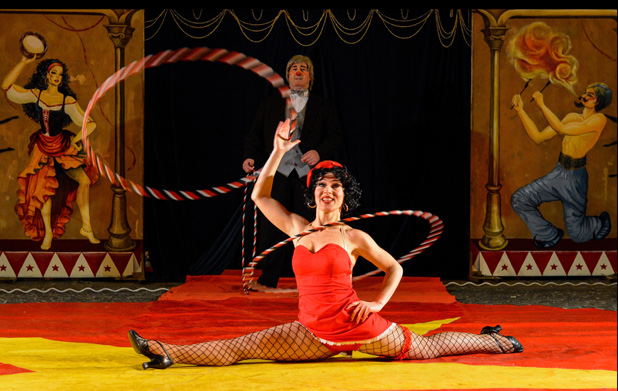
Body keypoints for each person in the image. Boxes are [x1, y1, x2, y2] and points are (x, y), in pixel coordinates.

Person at [128, 118, 523, 369]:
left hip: (359, 324)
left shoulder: (354, 236)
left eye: (335, 186)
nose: (328, 191)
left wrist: (377, 304)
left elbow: (394, 267)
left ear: (345, 197)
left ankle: (496, 341)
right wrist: (277, 151)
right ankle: (166, 351)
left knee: (426, 348)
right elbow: (260, 196)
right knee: (242, 346)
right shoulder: (298, 228)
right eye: (321, 185)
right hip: (312, 331)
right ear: (312, 194)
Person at [242, 54, 343, 289]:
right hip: (277, 173)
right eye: (294, 68)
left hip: (307, 176)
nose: (298, 72)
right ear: (287, 76)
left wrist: (318, 152)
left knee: (309, 226)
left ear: (310, 77)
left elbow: (336, 136)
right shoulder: (270, 104)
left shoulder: (323, 105)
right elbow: (254, 134)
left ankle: (312, 279)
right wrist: (249, 157)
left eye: (303, 69)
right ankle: (268, 279)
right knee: (271, 226)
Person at [2, 55, 99, 250]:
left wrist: (75, 141)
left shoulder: (66, 100)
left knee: (84, 181)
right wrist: (24, 61)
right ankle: (48, 233)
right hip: (42, 148)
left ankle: (87, 228)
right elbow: (6, 87)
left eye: (60, 74)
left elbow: (90, 124)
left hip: (62, 146)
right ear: (46, 76)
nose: (57, 77)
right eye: (53, 73)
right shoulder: (36, 95)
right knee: (43, 192)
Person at [511, 83, 612, 248]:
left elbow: (561, 129)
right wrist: (521, 111)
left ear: (598, 101)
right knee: (519, 199)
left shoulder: (599, 119)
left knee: (577, 235)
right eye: (585, 92)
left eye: (590, 95)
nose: (584, 96)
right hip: (558, 173)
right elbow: (538, 137)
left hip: (575, 179)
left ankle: (598, 223)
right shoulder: (572, 116)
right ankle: (549, 234)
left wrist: (542, 105)